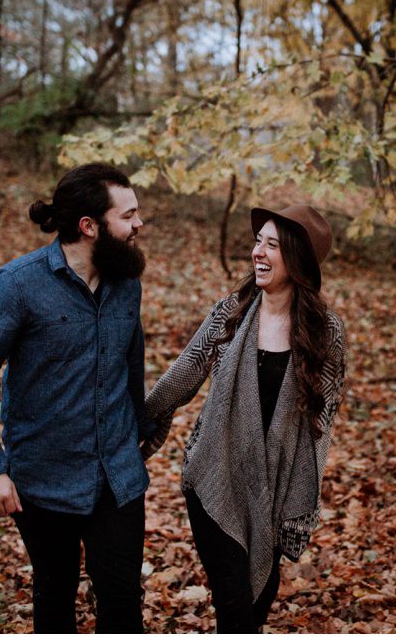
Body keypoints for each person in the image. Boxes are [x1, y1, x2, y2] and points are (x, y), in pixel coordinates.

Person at [0, 163, 153, 633]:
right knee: (55, 598)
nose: (139, 224)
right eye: (128, 216)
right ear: (89, 226)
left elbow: (132, 363)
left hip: (118, 477)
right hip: (44, 478)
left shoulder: (127, 284)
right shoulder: (19, 284)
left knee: (123, 604)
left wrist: (142, 429)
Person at [141, 204, 348, 633]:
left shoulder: (325, 333)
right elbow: (185, 372)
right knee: (235, 608)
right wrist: (140, 419)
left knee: (256, 608)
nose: (258, 252)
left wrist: (301, 502)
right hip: (215, 479)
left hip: (274, 493)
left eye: (272, 245)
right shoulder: (230, 313)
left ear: (297, 259)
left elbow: (322, 422)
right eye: (258, 242)